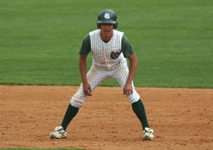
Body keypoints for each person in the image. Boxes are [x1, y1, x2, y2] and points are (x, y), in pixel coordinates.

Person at [50, 9, 154, 140]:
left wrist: (128, 82)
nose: (107, 27)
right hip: (98, 69)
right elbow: (82, 58)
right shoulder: (90, 38)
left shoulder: (121, 38)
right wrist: (85, 82)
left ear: (114, 25)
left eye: (110, 24)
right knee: (78, 97)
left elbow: (134, 60)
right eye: (104, 24)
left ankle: (147, 129)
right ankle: (62, 129)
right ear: (99, 25)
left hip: (119, 67)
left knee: (132, 94)